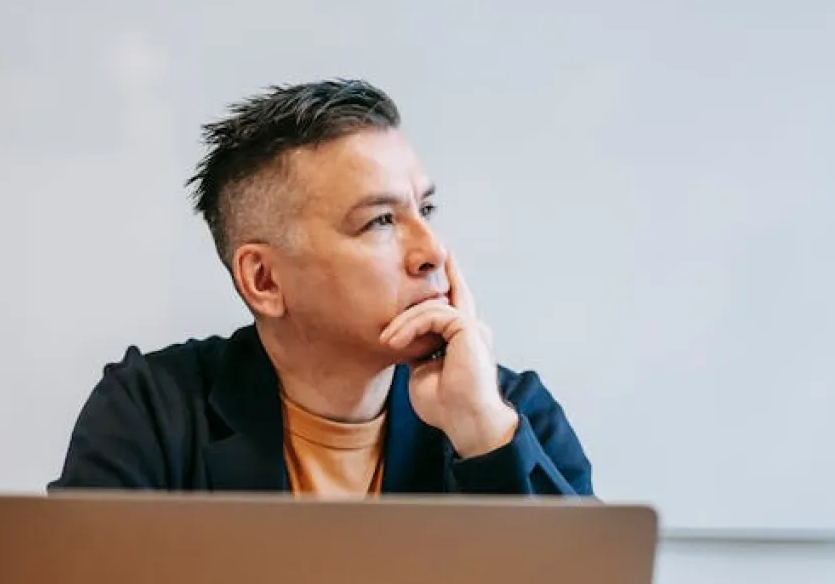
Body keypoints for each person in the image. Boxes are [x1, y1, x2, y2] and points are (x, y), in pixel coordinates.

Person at [49, 79, 592, 496]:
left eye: (426, 209)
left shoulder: (509, 410)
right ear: (264, 280)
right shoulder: (154, 411)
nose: (433, 251)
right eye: (380, 221)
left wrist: (483, 434)